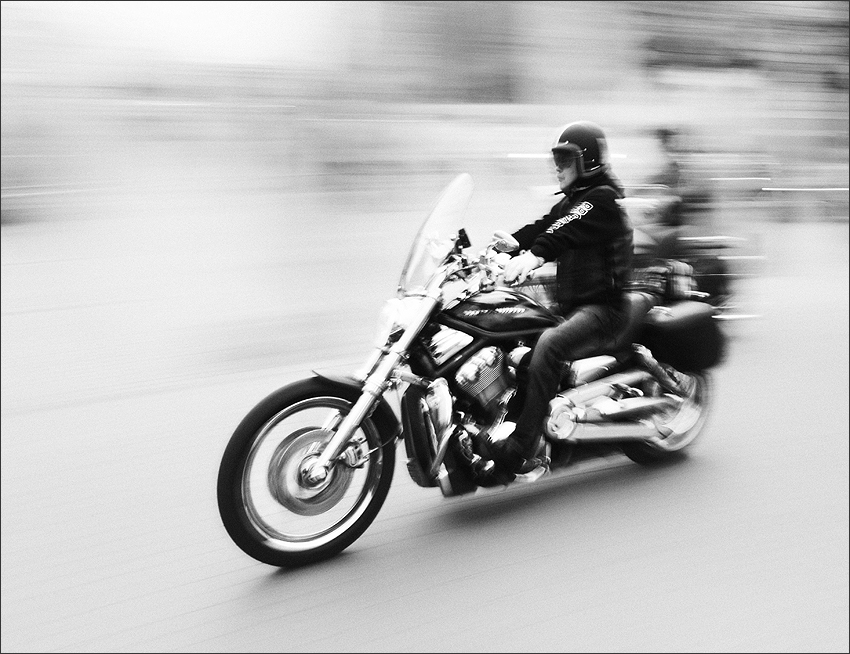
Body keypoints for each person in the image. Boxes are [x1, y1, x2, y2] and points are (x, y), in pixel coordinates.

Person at [489, 120, 634, 474]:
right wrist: (511, 244)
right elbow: (544, 226)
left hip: (604, 309)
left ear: (588, 162)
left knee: (550, 345)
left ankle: (522, 446)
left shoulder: (601, 200)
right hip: (574, 307)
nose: (557, 167)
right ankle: (501, 424)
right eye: (556, 159)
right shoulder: (574, 201)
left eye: (565, 160)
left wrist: (533, 257)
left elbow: (560, 231)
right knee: (515, 336)